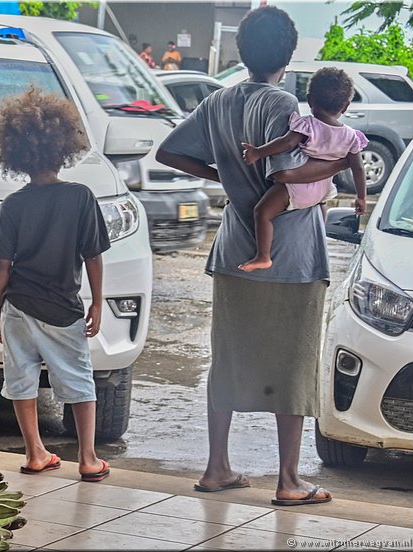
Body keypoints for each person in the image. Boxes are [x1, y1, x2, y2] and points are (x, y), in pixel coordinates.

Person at [156, 6, 346, 506]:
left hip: (234, 251)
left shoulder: (220, 101)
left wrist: (226, 176)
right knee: (293, 363)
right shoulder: (284, 102)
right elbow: (286, 175)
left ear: (241, 51)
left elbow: (168, 152)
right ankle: (289, 481)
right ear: (288, 54)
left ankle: (217, 467)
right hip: (293, 257)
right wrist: (328, 180)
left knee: (228, 361)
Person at [0, 85, 112, 483]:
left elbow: (2, 266)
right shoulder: (80, 198)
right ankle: (89, 460)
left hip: (18, 307)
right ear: (63, 149)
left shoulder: (14, 204)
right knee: (78, 379)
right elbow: (93, 256)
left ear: (16, 154)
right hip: (61, 307)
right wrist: (97, 303)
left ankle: (35, 453)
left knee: (20, 378)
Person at [239, 67, 368, 272]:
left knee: (262, 212)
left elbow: (286, 143)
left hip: (295, 187)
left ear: (309, 100)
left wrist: (258, 152)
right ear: (345, 107)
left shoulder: (308, 126)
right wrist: (361, 197)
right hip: (323, 191)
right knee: (320, 208)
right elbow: (359, 169)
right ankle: (319, 237)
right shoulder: (352, 136)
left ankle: (263, 256)